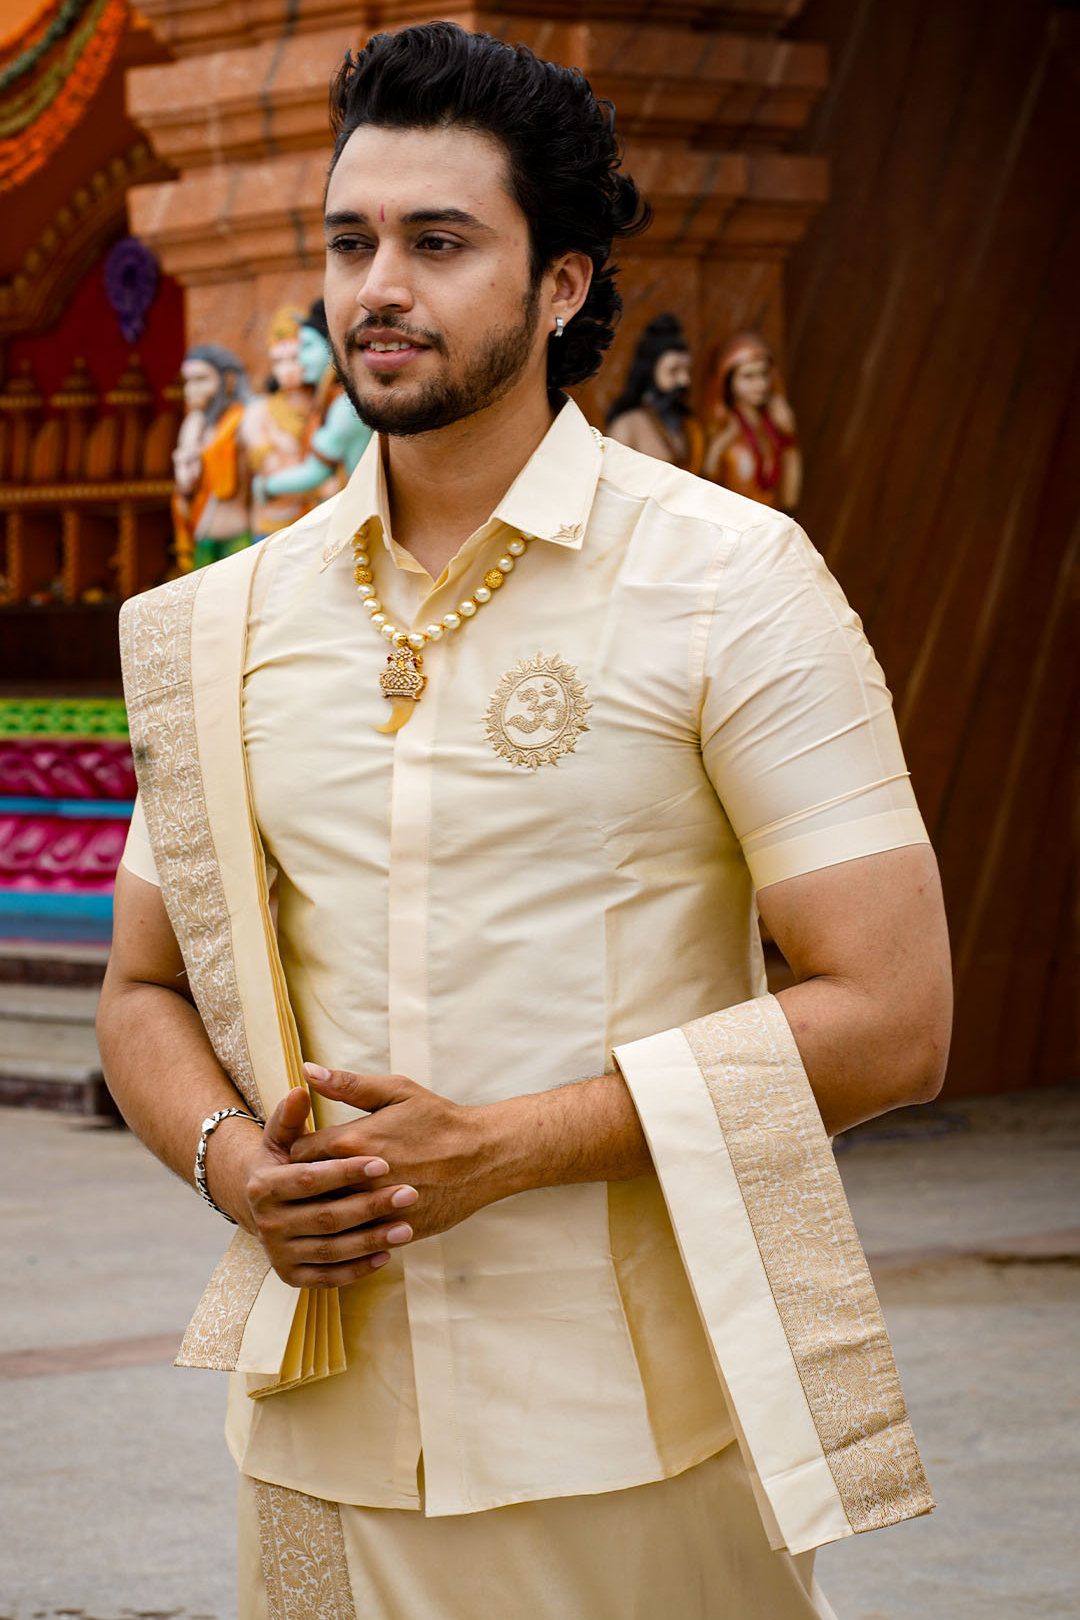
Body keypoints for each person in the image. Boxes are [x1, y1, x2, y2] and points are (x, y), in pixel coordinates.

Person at [97, 22, 951, 1620]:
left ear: (564, 284)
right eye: (350, 242)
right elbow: (142, 988)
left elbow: (896, 1015)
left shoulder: (729, 579)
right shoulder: (223, 624)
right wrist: (230, 1165)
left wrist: (508, 1148)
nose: (377, 288)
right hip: (318, 1432)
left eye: (439, 241)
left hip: (633, 1427)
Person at [252, 298, 372, 514]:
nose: (300, 358)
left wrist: (265, 486)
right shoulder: (330, 399)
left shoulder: (347, 406)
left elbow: (314, 473)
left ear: (333, 346)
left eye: (307, 346)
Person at [171, 343, 253, 570]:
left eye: (201, 379)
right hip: (202, 535)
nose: (190, 389)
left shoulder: (243, 420)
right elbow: (185, 483)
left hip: (239, 538)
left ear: (226, 380)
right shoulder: (195, 425)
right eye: (187, 381)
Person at [703, 330, 802, 509]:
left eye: (764, 374)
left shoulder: (772, 423)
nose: (760, 384)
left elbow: (790, 500)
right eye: (748, 376)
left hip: (771, 523)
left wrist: (789, 436)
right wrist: (721, 442)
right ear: (728, 380)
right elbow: (705, 487)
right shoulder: (723, 423)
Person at [240, 307, 313, 539]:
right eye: (279, 361)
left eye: (294, 358)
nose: (287, 369)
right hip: (275, 523)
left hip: (318, 519)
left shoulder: (325, 406)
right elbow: (269, 469)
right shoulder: (259, 412)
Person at [606, 311, 704, 470]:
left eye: (687, 371)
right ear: (650, 371)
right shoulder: (627, 425)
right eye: (673, 371)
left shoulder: (687, 425)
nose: (685, 381)